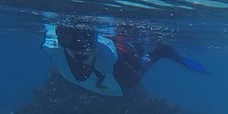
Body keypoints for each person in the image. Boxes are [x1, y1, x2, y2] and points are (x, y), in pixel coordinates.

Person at [42, 24, 209, 97]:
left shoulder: (111, 59)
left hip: (126, 51)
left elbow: (132, 77)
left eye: (84, 40)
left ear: (94, 40)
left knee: (131, 80)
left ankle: (161, 51)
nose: (79, 49)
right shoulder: (54, 48)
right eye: (68, 39)